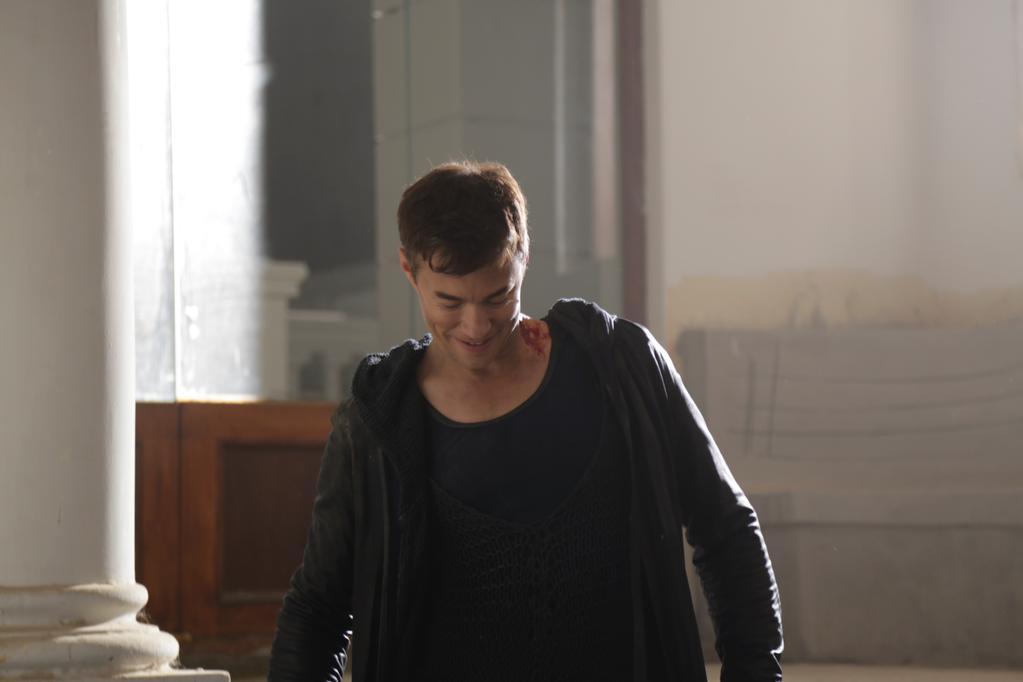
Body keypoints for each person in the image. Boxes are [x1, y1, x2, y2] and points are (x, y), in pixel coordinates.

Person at [268, 160, 783, 682]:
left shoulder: (624, 368)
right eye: (450, 301)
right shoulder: (376, 423)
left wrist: (756, 672)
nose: (476, 326)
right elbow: (319, 607)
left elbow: (727, 528)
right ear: (409, 269)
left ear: (524, 256)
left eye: (499, 297)